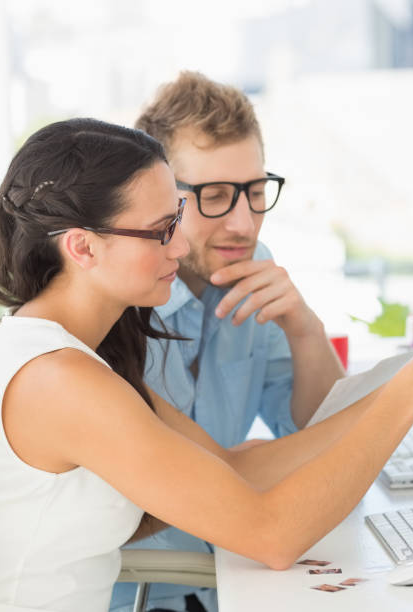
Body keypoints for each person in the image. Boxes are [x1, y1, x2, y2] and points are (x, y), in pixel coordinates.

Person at [0, 117, 413, 612]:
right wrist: (411, 385)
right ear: (82, 247)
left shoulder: (78, 357)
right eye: (162, 229)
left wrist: (404, 396)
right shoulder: (58, 381)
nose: (183, 243)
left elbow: (232, 469)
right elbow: (273, 536)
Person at [113, 71, 347, 612]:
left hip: (229, 580)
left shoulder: (254, 271)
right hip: (133, 593)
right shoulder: (115, 303)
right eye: (215, 197)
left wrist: (305, 328)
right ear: (158, 197)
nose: (243, 223)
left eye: (257, 192)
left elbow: (317, 436)